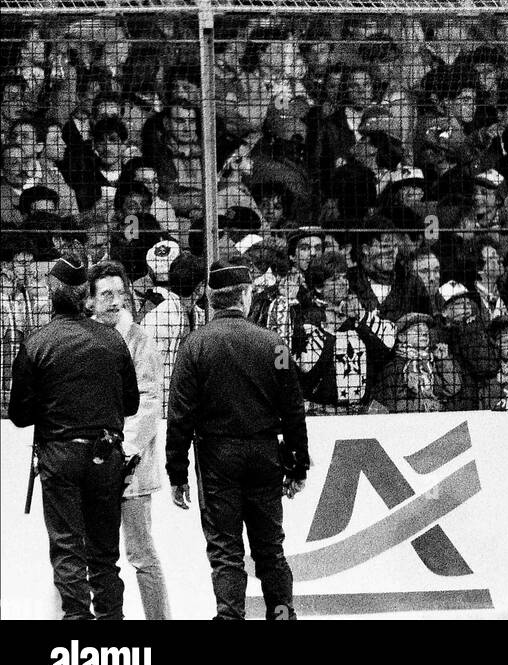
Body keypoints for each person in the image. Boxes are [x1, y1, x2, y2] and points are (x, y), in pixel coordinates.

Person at [165, 262, 309, 621]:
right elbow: (293, 410)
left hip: (217, 456)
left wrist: (177, 473)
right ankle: (281, 613)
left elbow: (179, 415)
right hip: (265, 453)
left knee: (226, 551)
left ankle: (229, 617)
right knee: (270, 550)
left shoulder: (195, 345)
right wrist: (297, 464)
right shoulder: (274, 344)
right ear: (246, 295)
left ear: (211, 298)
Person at [8, 256, 139, 621]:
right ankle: (112, 620)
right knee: (104, 553)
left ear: (52, 292)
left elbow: (19, 415)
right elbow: (130, 403)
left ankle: (77, 622)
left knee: (67, 548)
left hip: (60, 455)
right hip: (106, 453)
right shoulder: (113, 340)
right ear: (86, 295)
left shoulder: (37, 343)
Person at [88, 260, 171, 620]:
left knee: (141, 553)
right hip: (92, 464)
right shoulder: (84, 336)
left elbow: (151, 401)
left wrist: (124, 451)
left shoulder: (140, 339)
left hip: (130, 468)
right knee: (94, 553)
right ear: (90, 299)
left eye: (120, 293)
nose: (115, 301)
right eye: (106, 293)